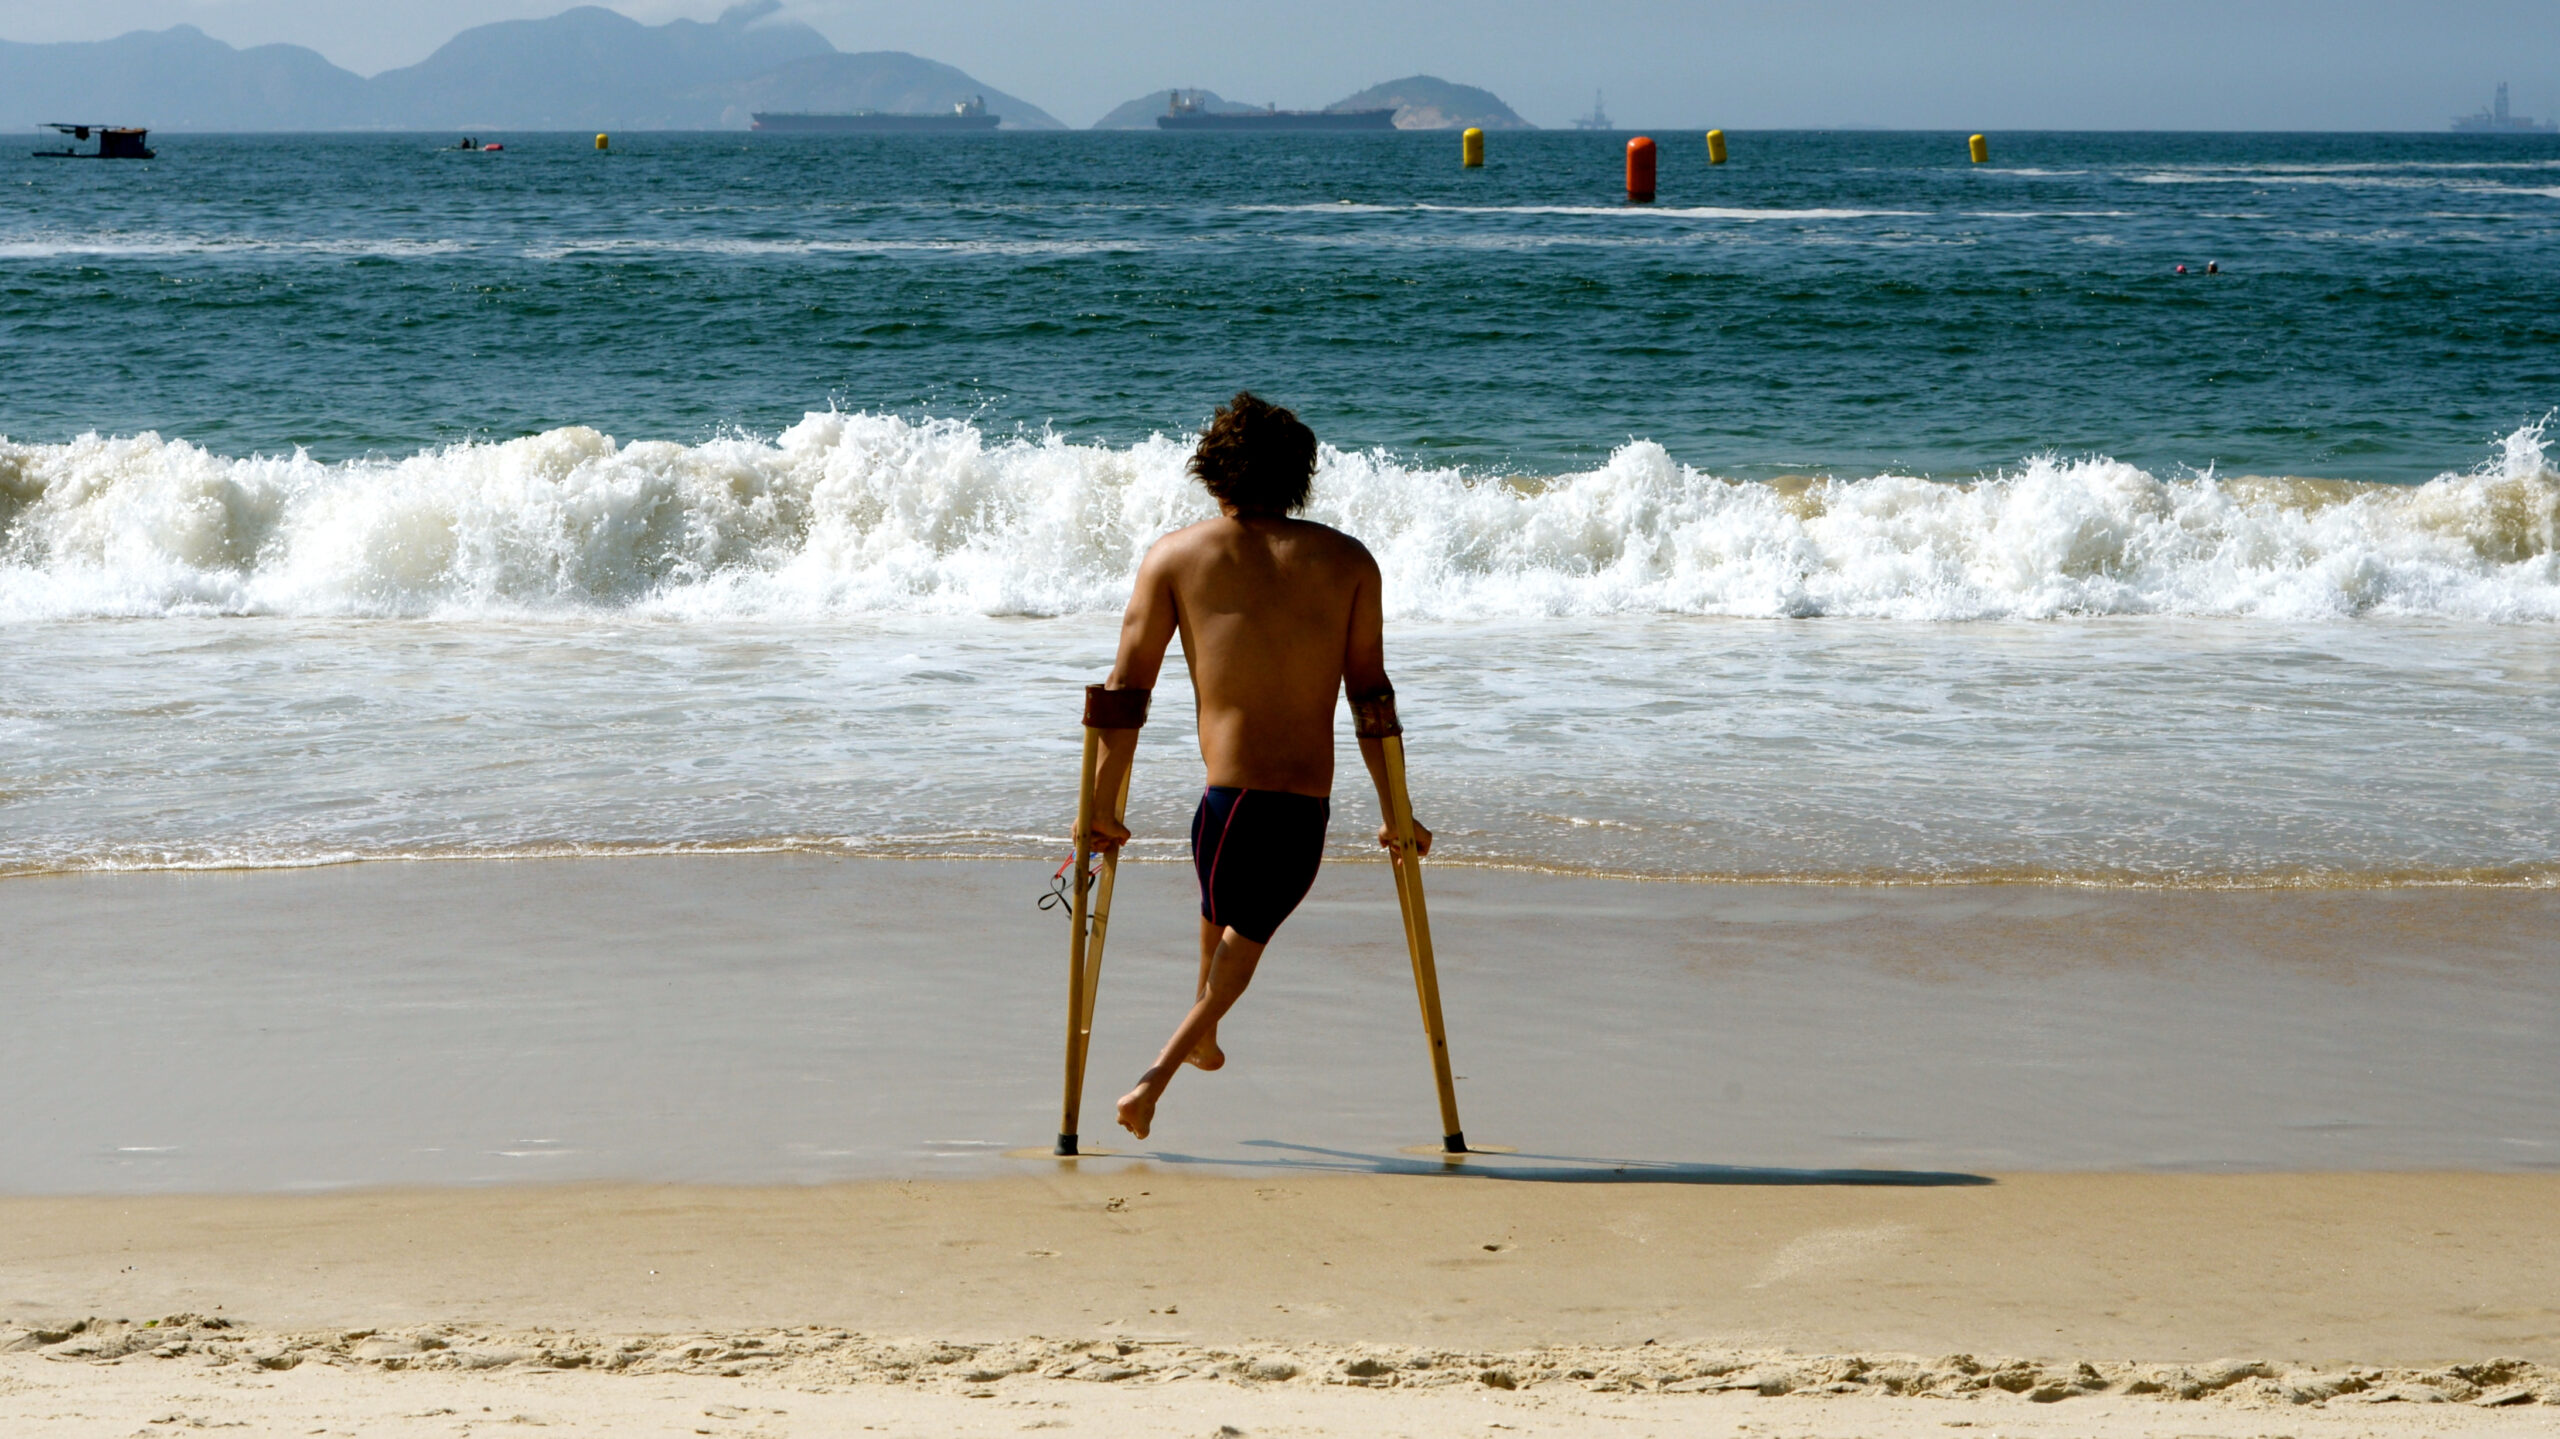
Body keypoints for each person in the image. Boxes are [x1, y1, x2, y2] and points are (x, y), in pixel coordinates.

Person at [1084, 392, 1430, 1141]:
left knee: (1222, 916)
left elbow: (1123, 693)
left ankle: (1201, 1039)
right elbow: (1371, 698)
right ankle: (1153, 1080)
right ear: (1299, 473)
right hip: (1297, 805)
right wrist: (1395, 807)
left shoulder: (1175, 556)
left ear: (1214, 470)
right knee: (1244, 946)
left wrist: (1102, 806)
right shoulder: (1346, 561)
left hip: (1220, 805)